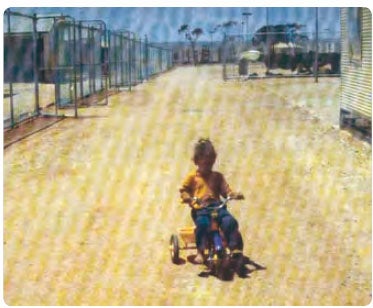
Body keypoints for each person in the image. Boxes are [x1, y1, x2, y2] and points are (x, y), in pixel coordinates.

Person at [179, 138, 244, 264]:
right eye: (205, 163)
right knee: (202, 224)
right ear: (197, 161)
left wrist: (233, 194)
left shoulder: (217, 176)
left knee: (230, 221)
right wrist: (187, 197)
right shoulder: (192, 177)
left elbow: (226, 191)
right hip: (201, 208)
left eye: (210, 163)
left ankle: (234, 248)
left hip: (218, 207)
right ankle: (200, 252)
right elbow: (184, 190)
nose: (208, 166)